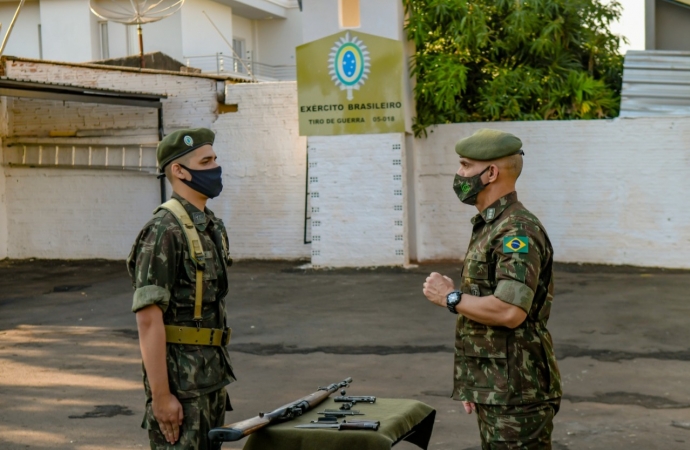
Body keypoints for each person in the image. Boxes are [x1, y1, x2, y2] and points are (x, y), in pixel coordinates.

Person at [422, 128, 562, 449]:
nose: (459, 174)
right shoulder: (492, 225)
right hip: (499, 388)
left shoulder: (516, 230)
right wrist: (478, 382)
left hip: (518, 394)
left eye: (465, 165)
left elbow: (510, 311)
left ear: (491, 173)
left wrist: (450, 297)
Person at [127, 128, 235, 449]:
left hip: (211, 379)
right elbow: (148, 319)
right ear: (179, 170)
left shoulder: (210, 225)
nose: (216, 167)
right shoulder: (163, 231)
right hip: (181, 389)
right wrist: (161, 396)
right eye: (206, 161)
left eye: (215, 158)